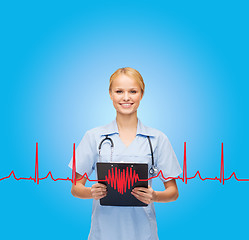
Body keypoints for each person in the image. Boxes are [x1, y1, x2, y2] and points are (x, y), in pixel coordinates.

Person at [68, 67, 182, 240]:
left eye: (133, 91)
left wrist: (155, 196)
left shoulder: (158, 139)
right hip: (103, 233)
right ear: (110, 94)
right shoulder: (93, 137)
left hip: (144, 234)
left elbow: (173, 192)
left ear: (141, 94)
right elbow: (75, 188)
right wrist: (91, 192)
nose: (126, 97)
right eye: (119, 91)